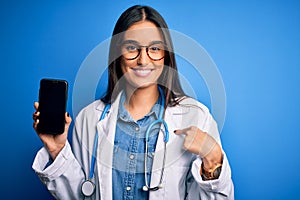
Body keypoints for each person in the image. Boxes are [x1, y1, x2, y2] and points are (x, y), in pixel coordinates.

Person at [32, 5, 234, 200]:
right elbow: (81, 195)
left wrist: (213, 160)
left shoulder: (196, 117)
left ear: (166, 55)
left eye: (154, 48)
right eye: (131, 48)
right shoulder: (89, 118)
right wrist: (57, 150)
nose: (143, 60)